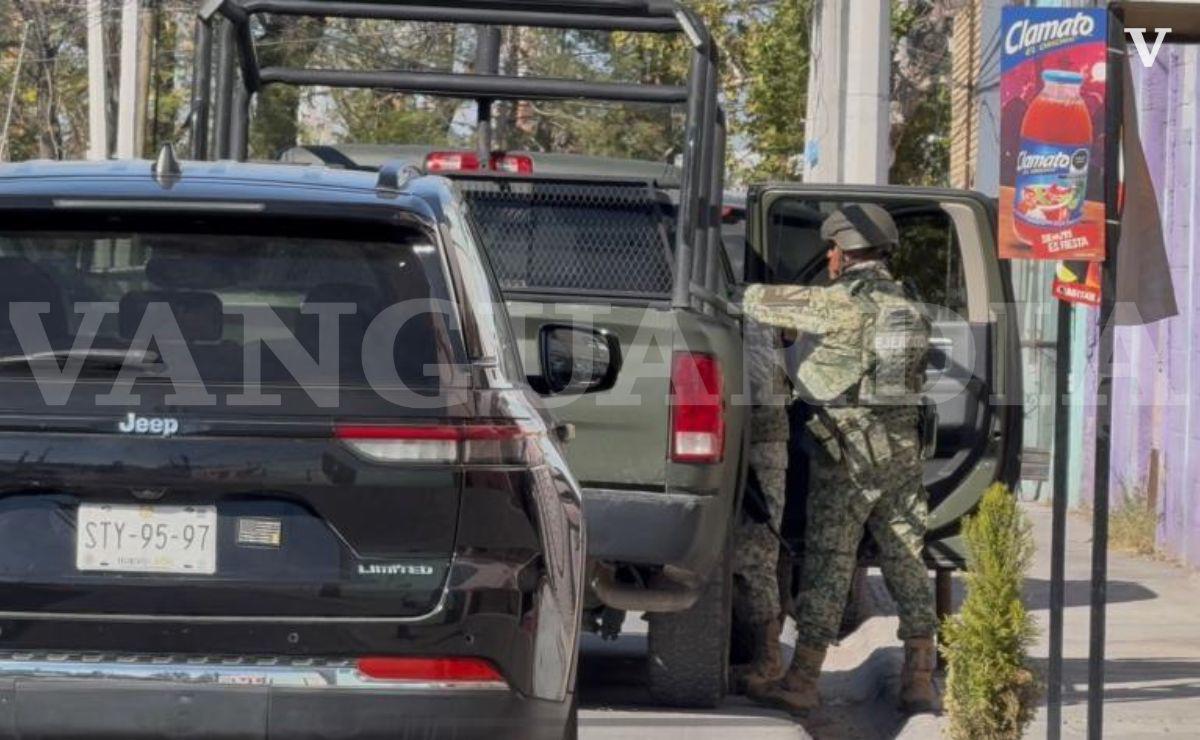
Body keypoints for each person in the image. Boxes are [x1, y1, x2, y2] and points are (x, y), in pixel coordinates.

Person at [740, 203, 938, 716]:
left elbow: (757, 301)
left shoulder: (841, 304)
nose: (829, 257)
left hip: (848, 452)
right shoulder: (913, 306)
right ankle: (920, 677)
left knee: (830, 562)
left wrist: (728, 291)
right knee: (905, 557)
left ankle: (802, 680)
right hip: (902, 452)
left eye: (831, 248)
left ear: (845, 252)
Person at [729, 286, 792, 695]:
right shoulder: (748, 304)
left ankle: (768, 660)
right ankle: (760, 656)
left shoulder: (749, 306)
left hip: (758, 443)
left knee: (755, 553)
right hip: (746, 440)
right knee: (751, 554)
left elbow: (759, 387)